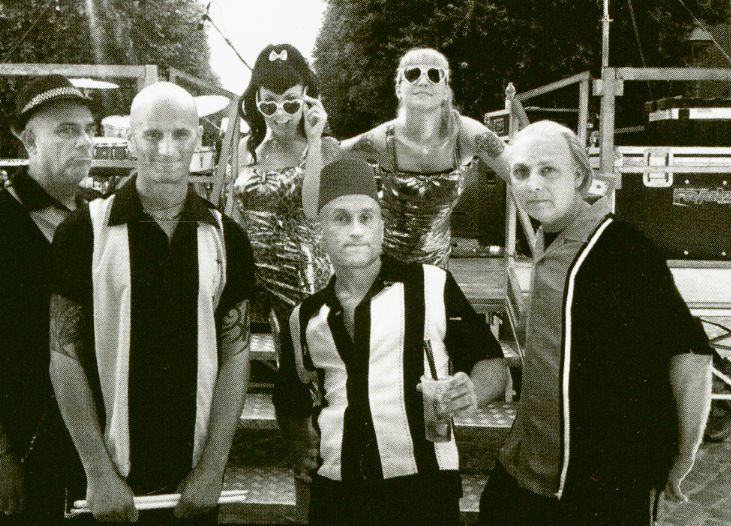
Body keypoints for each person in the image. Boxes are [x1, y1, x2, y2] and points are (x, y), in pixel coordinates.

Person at [477, 121, 713, 526]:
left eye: (548, 170)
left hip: (604, 483)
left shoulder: (623, 249)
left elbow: (690, 356)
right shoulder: (550, 240)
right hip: (529, 470)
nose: (533, 184)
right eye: (521, 172)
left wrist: (683, 455)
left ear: (579, 176)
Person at [48, 82, 256, 524]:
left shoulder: (227, 238)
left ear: (199, 139)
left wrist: (212, 470)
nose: (167, 148)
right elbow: (63, 356)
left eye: (181, 134)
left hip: (192, 483)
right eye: (152, 134)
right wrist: (98, 472)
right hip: (108, 485)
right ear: (130, 141)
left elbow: (236, 356)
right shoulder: (83, 232)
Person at [277, 158, 508, 526]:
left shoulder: (431, 285)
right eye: (341, 219)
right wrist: (299, 447)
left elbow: (491, 363)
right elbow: (289, 396)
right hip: (338, 496)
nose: (356, 230)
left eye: (366, 217)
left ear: (382, 226)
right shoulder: (305, 316)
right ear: (320, 231)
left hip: (423, 492)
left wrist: (472, 392)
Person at [309, 47, 509, 267]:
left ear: (445, 91)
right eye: (412, 74)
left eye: (434, 74)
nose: (423, 81)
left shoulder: (467, 135)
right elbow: (332, 153)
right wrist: (315, 130)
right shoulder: (383, 139)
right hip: (382, 261)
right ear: (399, 88)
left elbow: (517, 169)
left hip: (435, 268)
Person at [233, 43, 338, 453]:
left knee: (312, 381)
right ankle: (303, 468)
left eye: (291, 104)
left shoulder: (322, 148)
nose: (279, 115)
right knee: (286, 386)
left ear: (308, 99)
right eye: (268, 104)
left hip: (306, 284)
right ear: (256, 101)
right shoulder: (246, 148)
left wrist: (314, 139)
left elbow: (313, 211)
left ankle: (327, 466)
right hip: (259, 284)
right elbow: (237, 210)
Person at [0, 75, 95, 525]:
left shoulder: (100, 213)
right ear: (27, 140)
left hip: (94, 435)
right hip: (24, 437)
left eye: (89, 129)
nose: (84, 142)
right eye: (66, 130)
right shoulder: (6, 217)